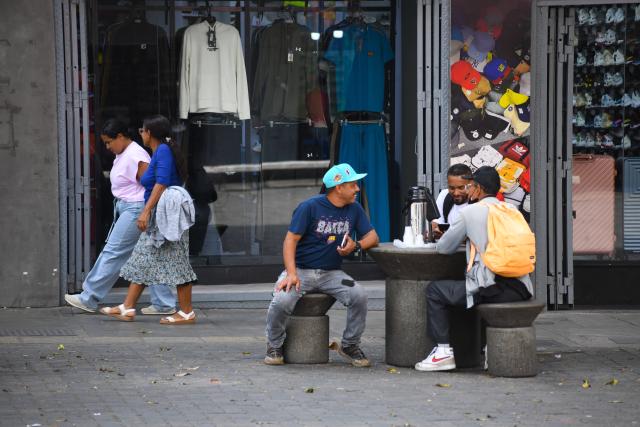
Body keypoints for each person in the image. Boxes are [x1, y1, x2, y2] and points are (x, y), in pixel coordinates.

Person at [415, 166, 533, 372]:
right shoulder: (512, 210)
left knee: (435, 291)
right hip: (521, 287)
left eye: (470, 186)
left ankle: (443, 352)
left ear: (477, 189)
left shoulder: (471, 212)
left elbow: (444, 248)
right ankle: (487, 349)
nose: (468, 190)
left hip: (490, 289)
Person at [264, 163, 380, 367]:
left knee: (359, 294)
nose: (357, 189)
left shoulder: (355, 208)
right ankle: (274, 345)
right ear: (338, 187)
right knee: (281, 300)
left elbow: (373, 236)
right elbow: (290, 240)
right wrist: (291, 274)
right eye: (353, 185)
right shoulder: (309, 207)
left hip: (332, 273)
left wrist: (356, 245)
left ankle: (350, 345)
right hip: (300, 270)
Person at [64, 119, 176, 315]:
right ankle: (164, 303)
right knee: (152, 255)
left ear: (121, 137)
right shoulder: (125, 153)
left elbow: (150, 183)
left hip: (135, 209)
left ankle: (88, 297)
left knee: (113, 252)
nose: (107, 147)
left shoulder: (135, 155)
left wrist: (146, 211)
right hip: (132, 208)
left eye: (109, 142)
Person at [100, 115, 197, 324]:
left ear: (149, 133)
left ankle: (187, 312)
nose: (140, 134)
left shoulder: (162, 151)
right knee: (143, 258)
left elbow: (161, 183)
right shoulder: (160, 151)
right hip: (160, 215)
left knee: (177, 261)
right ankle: (127, 307)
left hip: (165, 216)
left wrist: (145, 211)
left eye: (143, 130)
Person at [431, 164, 473, 240]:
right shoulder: (444, 195)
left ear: (470, 184)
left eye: (461, 188)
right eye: (451, 188)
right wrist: (436, 231)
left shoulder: (478, 201)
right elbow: (435, 223)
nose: (456, 193)